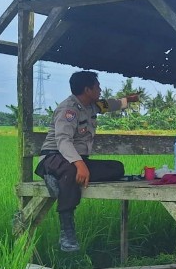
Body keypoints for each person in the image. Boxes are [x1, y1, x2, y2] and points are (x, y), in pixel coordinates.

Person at [35, 71, 139, 251]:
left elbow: (110, 104)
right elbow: (63, 141)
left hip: (76, 161)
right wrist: (80, 164)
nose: (100, 90)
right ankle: (67, 232)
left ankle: (56, 179)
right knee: (72, 172)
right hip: (54, 157)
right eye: (97, 87)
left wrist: (128, 100)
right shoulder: (68, 110)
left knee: (116, 168)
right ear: (87, 89)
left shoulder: (91, 106)